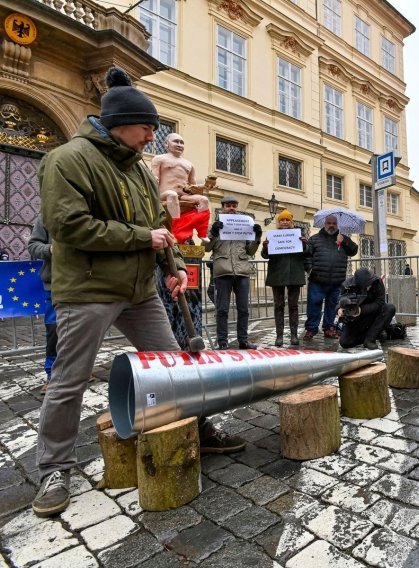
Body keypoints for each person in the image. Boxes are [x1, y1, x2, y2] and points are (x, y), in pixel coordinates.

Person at [33, 67, 244, 519]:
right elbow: (68, 227)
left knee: (174, 366)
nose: (153, 134)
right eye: (147, 126)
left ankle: (198, 426)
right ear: (119, 123)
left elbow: (162, 227)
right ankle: (55, 469)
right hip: (87, 289)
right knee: (69, 379)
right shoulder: (67, 160)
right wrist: (140, 239)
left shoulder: (141, 172)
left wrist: (175, 269)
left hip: (139, 290)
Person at [206, 195, 260, 349]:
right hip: (223, 272)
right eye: (228, 205)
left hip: (242, 271)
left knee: (243, 309)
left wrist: (257, 238)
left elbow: (250, 251)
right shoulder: (213, 226)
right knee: (222, 309)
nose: (231, 208)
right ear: (222, 207)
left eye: (234, 206)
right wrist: (214, 234)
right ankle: (222, 342)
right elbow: (207, 248)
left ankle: (243, 340)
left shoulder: (244, 225)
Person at [303, 215, 358, 341]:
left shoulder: (342, 238)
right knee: (313, 305)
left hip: (337, 281)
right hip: (317, 279)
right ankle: (311, 329)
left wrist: (344, 240)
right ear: (324, 224)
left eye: (334, 223)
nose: (331, 225)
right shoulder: (315, 239)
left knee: (332, 306)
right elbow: (307, 256)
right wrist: (310, 269)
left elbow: (354, 250)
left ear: (337, 225)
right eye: (329, 223)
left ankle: (329, 327)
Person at [260, 210, 307, 346]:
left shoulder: (298, 235)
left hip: (294, 274)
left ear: (291, 222)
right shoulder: (272, 236)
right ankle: (279, 336)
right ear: (279, 222)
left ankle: (293, 335)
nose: (285, 222)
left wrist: (304, 244)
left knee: (293, 306)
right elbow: (265, 255)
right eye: (282, 220)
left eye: (287, 220)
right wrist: (265, 248)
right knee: (278, 306)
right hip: (277, 274)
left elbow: (308, 252)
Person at [149, 132, 210, 220]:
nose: (179, 145)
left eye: (182, 142)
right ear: (167, 144)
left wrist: (205, 186)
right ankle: (176, 225)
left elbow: (193, 186)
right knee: (172, 194)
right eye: (176, 141)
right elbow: (154, 178)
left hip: (184, 195)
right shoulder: (159, 159)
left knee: (204, 200)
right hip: (164, 194)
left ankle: (200, 229)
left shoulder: (189, 164)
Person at [27, 215, 56, 393]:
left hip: (84, 285)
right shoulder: (45, 217)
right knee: (55, 330)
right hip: (55, 285)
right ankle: (52, 375)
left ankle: (80, 371)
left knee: (83, 332)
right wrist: (50, 249)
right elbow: (33, 246)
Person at [337, 268, 396, 350]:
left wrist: (361, 310)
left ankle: (370, 339)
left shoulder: (377, 282)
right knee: (345, 342)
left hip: (372, 314)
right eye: (366, 286)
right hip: (355, 319)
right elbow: (338, 301)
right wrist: (339, 310)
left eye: (369, 284)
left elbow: (380, 303)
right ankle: (376, 334)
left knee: (389, 308)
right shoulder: (347, 285)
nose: (369, 287)